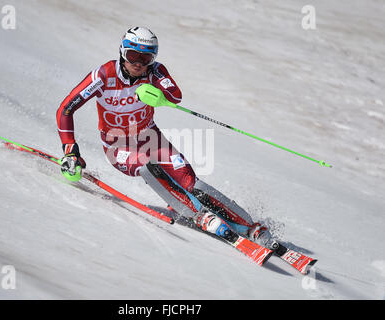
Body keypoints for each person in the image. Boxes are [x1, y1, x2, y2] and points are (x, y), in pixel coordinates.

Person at [56, 27, 275, 248]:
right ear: (123, 52)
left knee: (191, 183)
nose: (139, 63)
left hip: (151, 138)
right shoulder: (103, 76)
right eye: (133, 55)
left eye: (146, 57)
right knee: (147, 167)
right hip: (117, 146)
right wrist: (70, 150)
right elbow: (65, 109)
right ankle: (197, 214)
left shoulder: (156, 71)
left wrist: (159, 95)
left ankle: (250, 227)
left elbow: (176, 96)